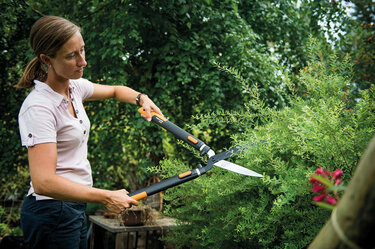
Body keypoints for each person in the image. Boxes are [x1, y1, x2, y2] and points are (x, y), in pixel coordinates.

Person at [16, 15, 163, 249]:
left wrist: (142, 99)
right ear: (47, 59)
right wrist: (106, 196)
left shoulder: (74, 88)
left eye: (82, 50)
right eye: (71, 55)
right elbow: (43, 182)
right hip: (51, 211)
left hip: (72, 206)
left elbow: (116, 91)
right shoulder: (39, 107)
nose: (82, 61)